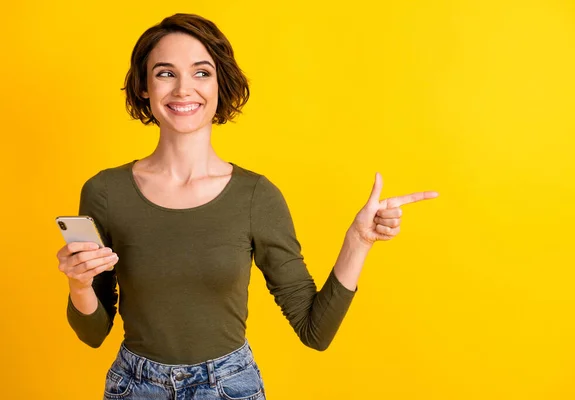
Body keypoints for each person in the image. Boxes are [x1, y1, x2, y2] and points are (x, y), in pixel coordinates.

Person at [55, 13, 439, 400]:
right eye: (166, 73)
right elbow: (92, 333)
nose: (184, 89)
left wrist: (359, 241)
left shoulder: (256, 197)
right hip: (135, 387)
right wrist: (79, 282)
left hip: (227, 388)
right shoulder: (105, 192)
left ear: (221, 83)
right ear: (144, 86)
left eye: (201, 72)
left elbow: (315, 332)